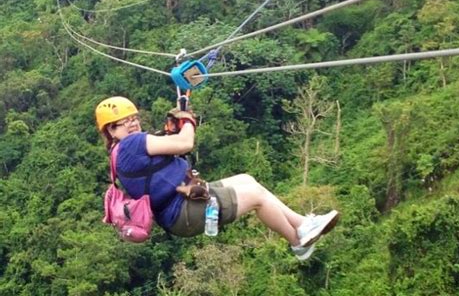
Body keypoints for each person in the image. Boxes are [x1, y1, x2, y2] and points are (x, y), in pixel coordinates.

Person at [95, 96, 339, 260]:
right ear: (111, 130)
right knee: (256, 197)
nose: (133, 123)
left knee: (247, 180)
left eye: (134, 118)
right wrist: (188, 121)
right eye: (124, 122)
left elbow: (168, 149)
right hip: (183, 209)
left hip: (181, 208)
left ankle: (303, 225)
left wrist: (173, 129)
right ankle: (298, 240)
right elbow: (185, 143)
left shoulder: (117, 155)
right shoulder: (131, 145)